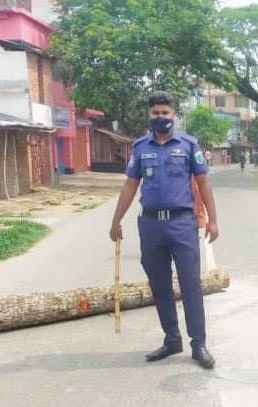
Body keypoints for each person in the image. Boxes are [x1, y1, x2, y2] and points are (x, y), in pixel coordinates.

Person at [109, 91, 219, 369]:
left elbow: (204, 182)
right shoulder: (140, 148)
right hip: (150, 225)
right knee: (159, 285)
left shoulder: (188, 144)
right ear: (150, 115)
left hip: (182, 224)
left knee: (190, 284)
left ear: (173, 115)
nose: (160, 117)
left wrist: (213, 220)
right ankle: (172, 338)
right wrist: (116, 220)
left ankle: (198, 344)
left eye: (165, 113)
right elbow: (130, 186)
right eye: (155, 113)